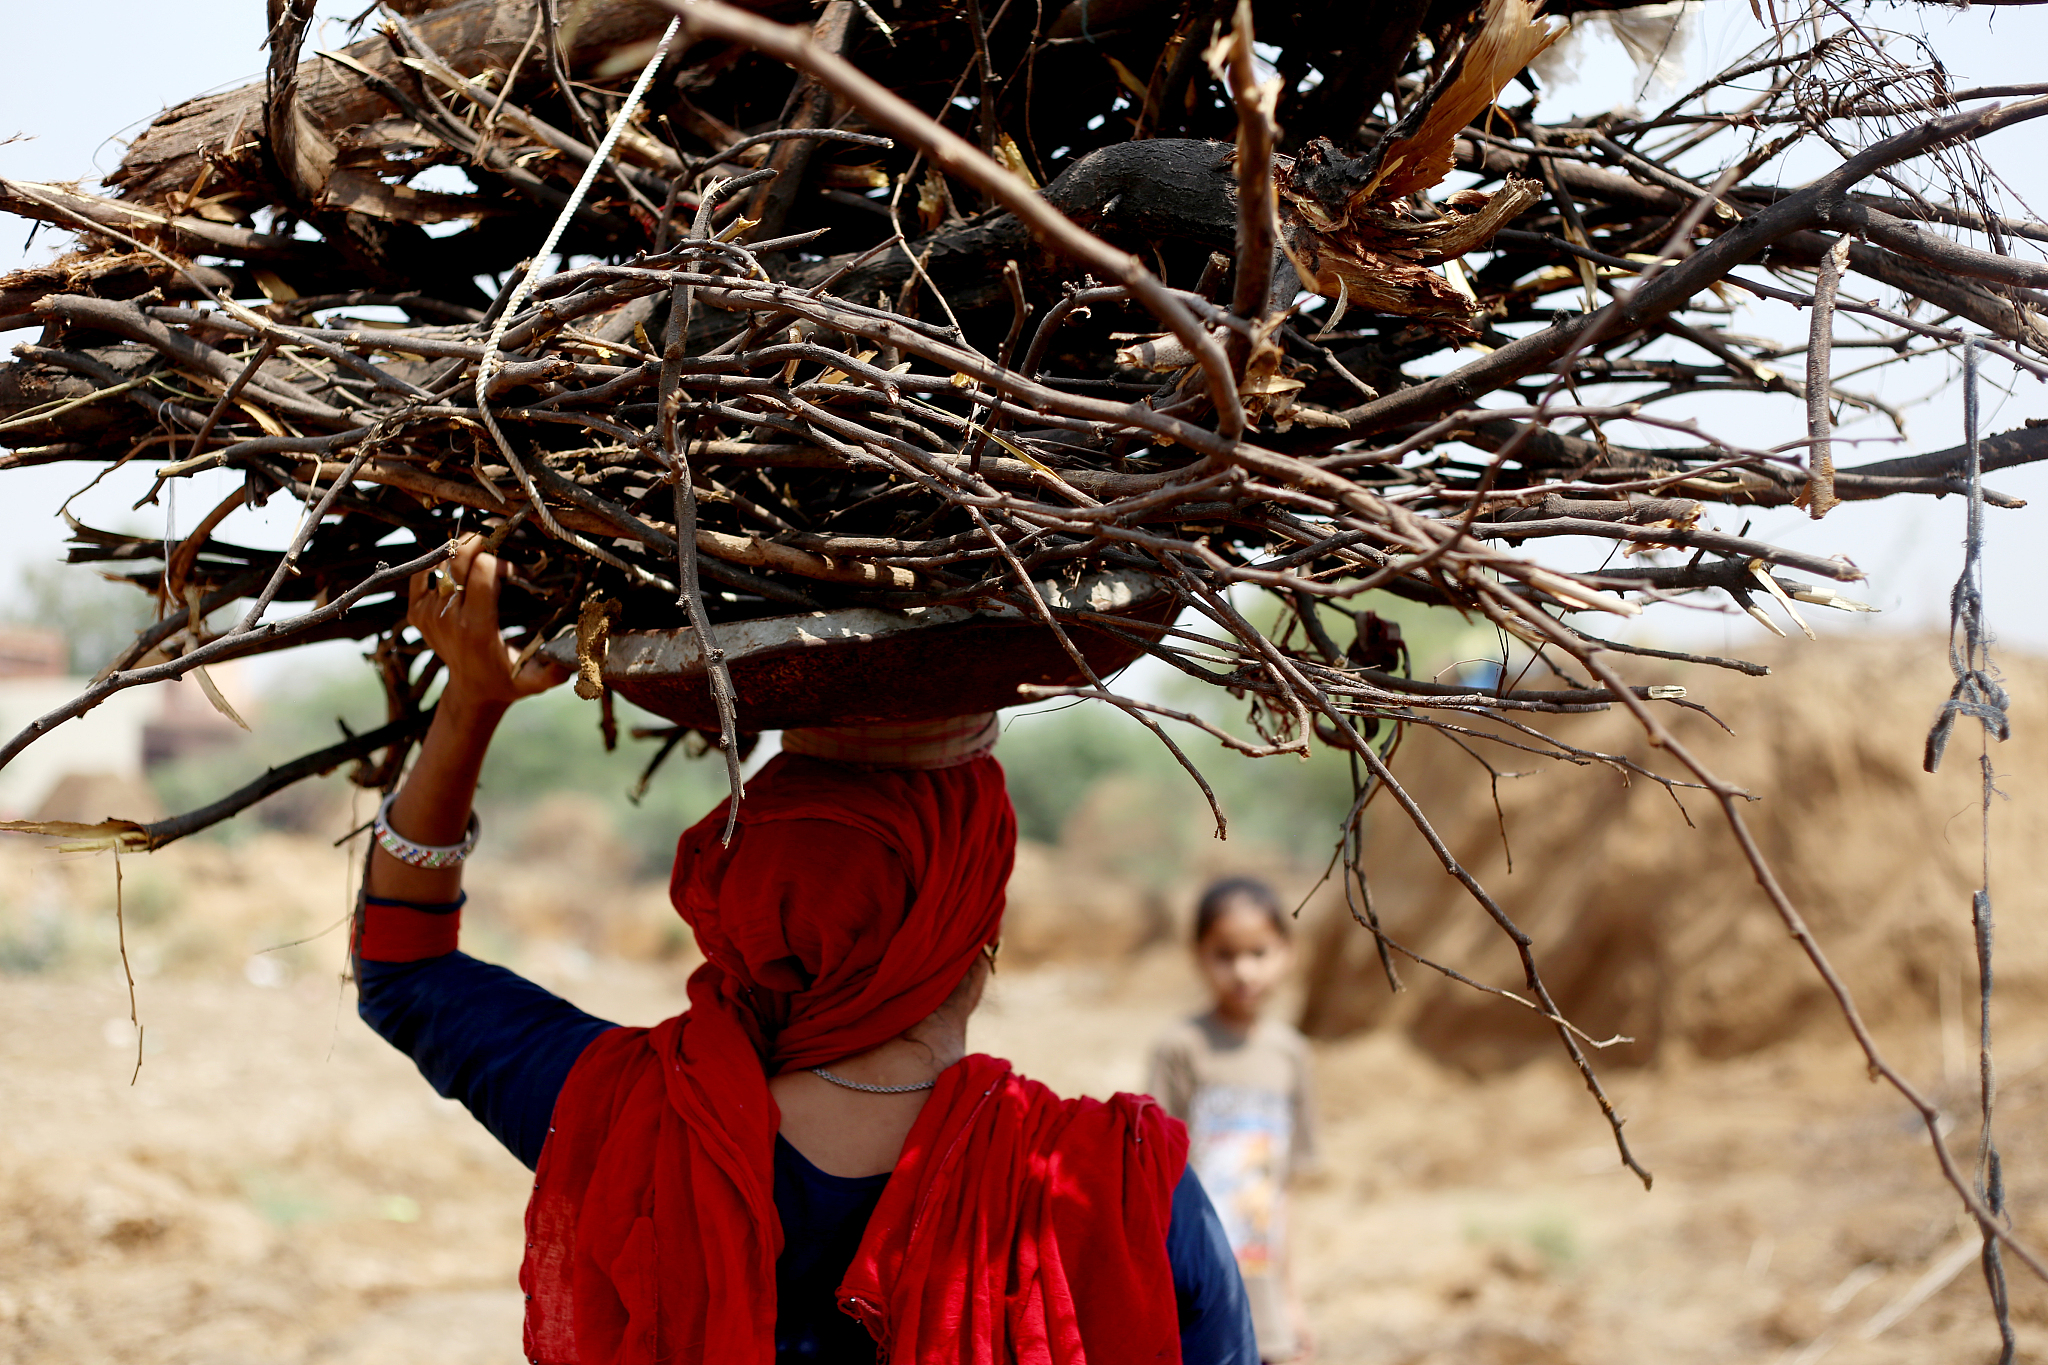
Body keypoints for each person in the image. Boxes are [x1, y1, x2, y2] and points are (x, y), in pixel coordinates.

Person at [351, 535, 1257, 1365]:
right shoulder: (1124, 1188)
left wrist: (471, 704)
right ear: (976, 926)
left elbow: (403, 966)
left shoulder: (640, 1121)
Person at [1147, 878, 1319, 1363]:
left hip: (1264, 1284)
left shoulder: (1292, 1054)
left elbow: (1285, 1190)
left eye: (1259, 952)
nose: (1243, 970)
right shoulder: (1180, 1048)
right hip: (1194, 1274)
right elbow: (1157, 1176)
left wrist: (1291, 1301)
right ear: (1198, 954)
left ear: (1287, 952)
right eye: (1224, 954)